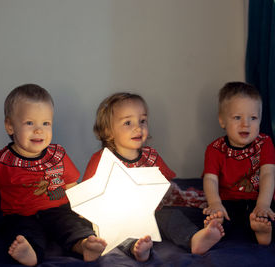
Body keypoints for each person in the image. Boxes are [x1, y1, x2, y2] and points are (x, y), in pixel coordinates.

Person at [0, 84, 107, 266]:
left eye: (46, 123)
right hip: (20, 215)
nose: (39, 130)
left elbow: (71, 186)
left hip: (57, 210)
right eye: (29, 123)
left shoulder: (58, 155)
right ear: (10, 126)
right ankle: (30, 252)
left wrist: (83, 211)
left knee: (71, 226)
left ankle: (84, 246)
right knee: (22, 232)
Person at [82, 92, 224, 262]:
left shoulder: (150, 156)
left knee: (172, 217)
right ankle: (137, 250)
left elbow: (166, 183)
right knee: (117, 234)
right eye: (128, 122)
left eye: (142, 121)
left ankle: (195, 239)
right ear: (108, 131)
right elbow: (88, 194)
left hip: (150, 213)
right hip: (118, 218)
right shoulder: (102, 160)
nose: (138, 128)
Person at [203, 81, 275, 246]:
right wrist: (215, 203)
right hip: (227, 199)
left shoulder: (264, 143)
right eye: (237, 117)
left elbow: (267, 174)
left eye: (253, 118)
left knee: (269, 215)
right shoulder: (215, 149)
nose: (246, 124)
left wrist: (263, 204)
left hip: (257, 198)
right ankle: (215, 229)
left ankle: (262, 232)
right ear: (222, 121)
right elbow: (210, 179)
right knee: (219, 216)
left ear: (260, 120)